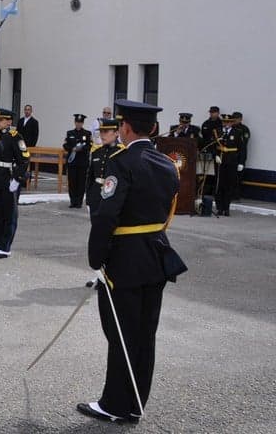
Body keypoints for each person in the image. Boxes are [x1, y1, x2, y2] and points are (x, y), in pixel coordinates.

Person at [78, 99, 183, 424]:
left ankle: (115, 404)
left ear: (125, 128)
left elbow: (106, 215)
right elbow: (168, 212)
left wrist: (97, 257)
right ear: (153, 129)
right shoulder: (166, 163)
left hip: (125, 259)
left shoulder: (122, 162)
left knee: (121, 334)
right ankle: (136, 401)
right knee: (144, 333)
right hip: (156, 253)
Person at [0, 109, 30, 259]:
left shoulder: (15, 137)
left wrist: (16, 179)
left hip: (9, 178)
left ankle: (5, 246)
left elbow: (24, 160)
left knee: (9, 214)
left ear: (9, 121)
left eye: (1, 120)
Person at [86, 117, 123, 216]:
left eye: (106, 131)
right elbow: (90, 178)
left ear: (116, 133)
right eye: (101, 131)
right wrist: (89, 200)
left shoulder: (122, 153)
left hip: (112, 198)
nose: (102, 135)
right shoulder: (96, 152)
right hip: (96, 197)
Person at [214, 113, 245, 217]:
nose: (226, 124)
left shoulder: (237, 133)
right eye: (224, 122)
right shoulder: (217, 132)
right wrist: (215, 155)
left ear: (232, 123)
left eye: (228, 122)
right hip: (220, 162)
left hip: (231, 162)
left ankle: (226, 208)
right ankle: (219, 208)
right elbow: (212, 146)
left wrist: (241, 162)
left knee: (229, 186)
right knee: (219, 186)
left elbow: (242, 149)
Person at [64, 114, 93, 208]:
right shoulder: (70, 133)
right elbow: (65, 145)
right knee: (72, 182)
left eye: (80, 122)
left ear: (83, 123)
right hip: (72, 162)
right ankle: (72, 201)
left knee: (81, 182)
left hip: (82, 162)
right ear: (75, 122)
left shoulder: (87, 134)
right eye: (77, 122)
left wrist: (81, 149)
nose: (78, 124)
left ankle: (79, 202)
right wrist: (72, 148)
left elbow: (90, 146)